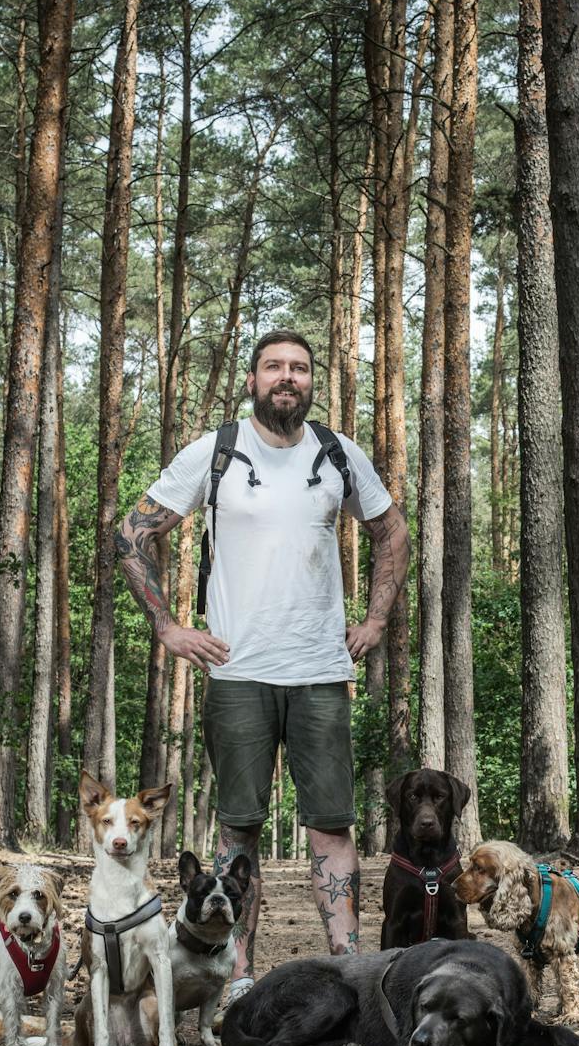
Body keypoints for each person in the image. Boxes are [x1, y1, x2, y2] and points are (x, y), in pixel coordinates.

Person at [116, 329, 411, 1005]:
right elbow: (130, 533)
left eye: (300, 368)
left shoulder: (337, 454)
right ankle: (234, 977)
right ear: (252, 380)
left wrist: (376, 620)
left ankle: (351, 971)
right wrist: (168, 625)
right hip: (238, 669)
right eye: (274, 366)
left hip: (318, 669)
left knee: (331, 825)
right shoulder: (216, 452)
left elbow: (392, 531)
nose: (287, 377)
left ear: (312, 382)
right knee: (237, 826)